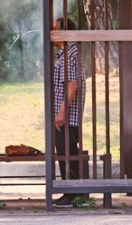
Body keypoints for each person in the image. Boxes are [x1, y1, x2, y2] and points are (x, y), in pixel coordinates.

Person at [51, 17, 88, 208]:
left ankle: (71, 193)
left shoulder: (69, 55)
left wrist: (62, 113)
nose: (52, 33)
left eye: (55, 30)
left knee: (67, 152)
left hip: (66, 117)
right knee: (67, 151)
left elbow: (72, 85)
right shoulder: (67, 53)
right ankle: (73, 192)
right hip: (65, 116)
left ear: (64, 33)